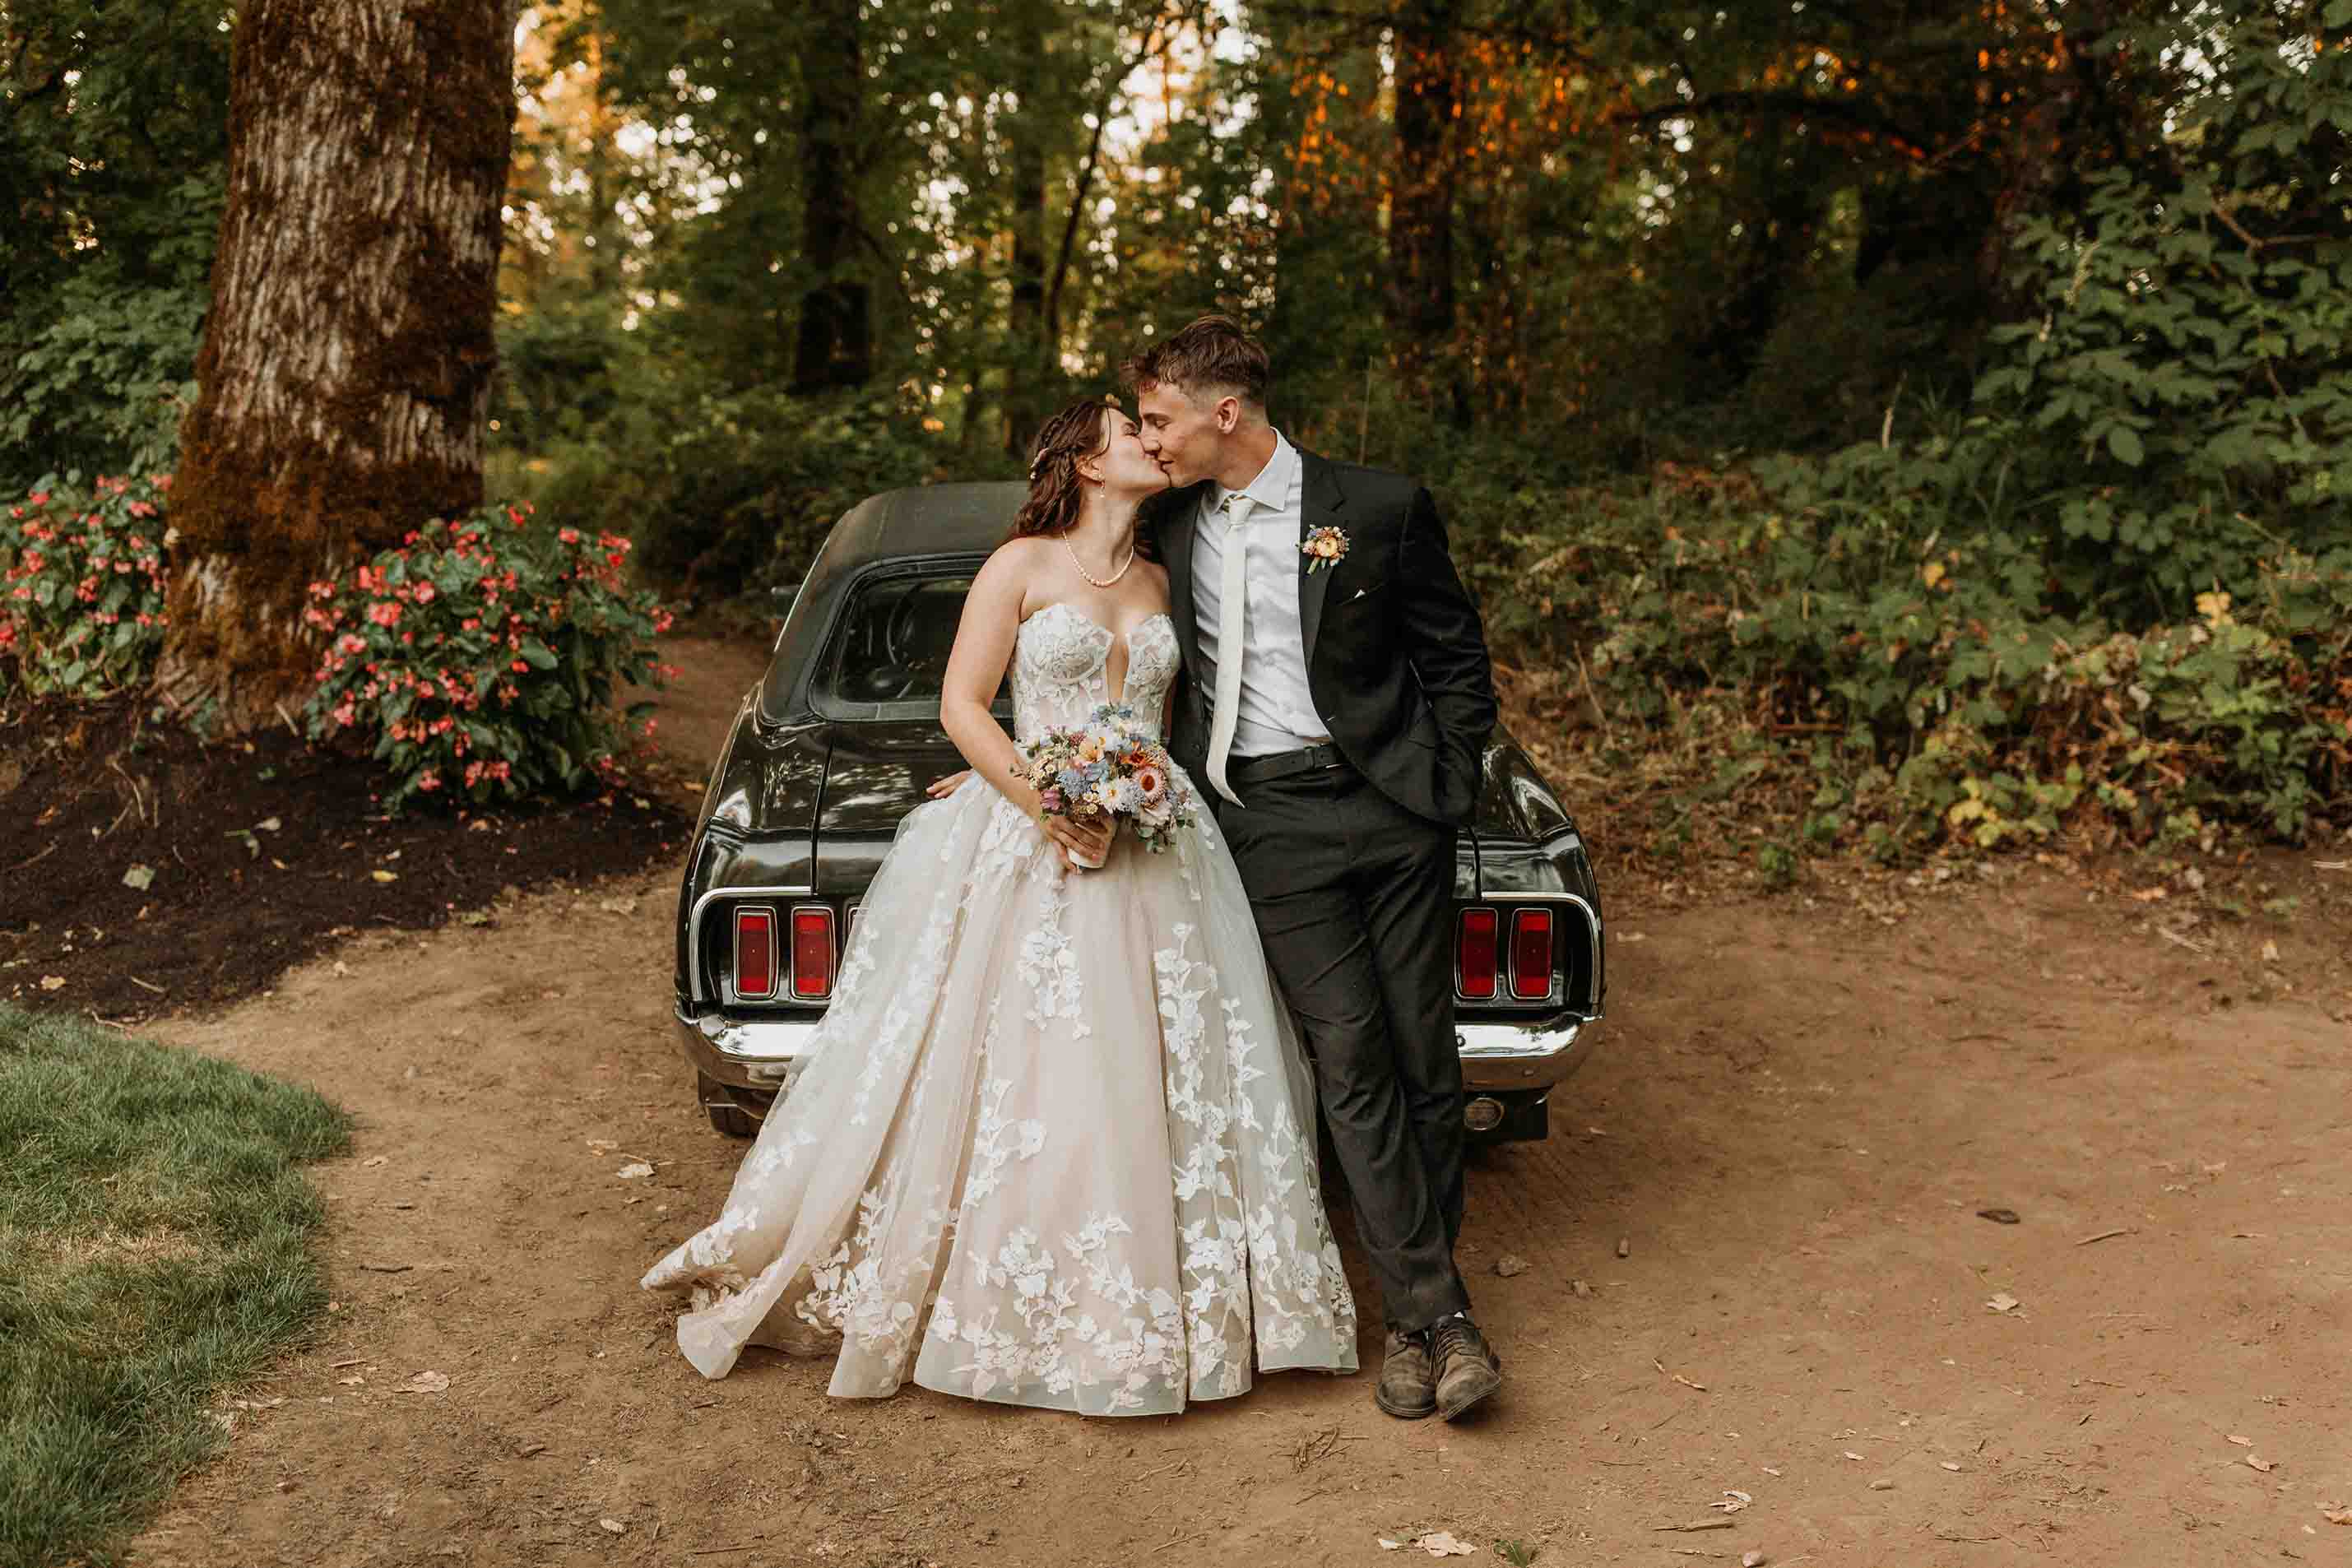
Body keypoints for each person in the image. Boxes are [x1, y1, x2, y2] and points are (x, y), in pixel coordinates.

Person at [641, 396, 1358, 1416]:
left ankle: (1173, 1308)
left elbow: (1185, 713)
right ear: (1082, 460)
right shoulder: (1018, 567)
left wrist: (1135, 790)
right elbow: (961, 706)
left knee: (1169, 1065)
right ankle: (1007, 1300)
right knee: (1027, 1069)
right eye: (1128, 432)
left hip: (1159, 839)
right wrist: (1040, 798)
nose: (1149, 443)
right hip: (1038, 832)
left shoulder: (1164, 579)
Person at [1125, 315, 1505, 1422]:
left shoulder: (1377, 507)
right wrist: (1015, 757)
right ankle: (1430, 1316)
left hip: (1393, 812)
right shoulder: (1172, 525)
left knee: (1422, 1055)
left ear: (1222, 412)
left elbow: (1454, 656)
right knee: (1348, 1057)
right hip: (1267, 825)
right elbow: (1089, 611)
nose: (1151, 437)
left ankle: (1428, 1309)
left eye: (1160, 416)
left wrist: (1445, 783)